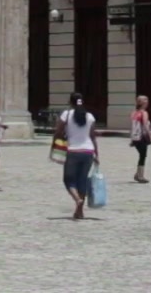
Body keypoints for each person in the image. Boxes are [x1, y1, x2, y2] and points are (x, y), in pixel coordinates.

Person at [59, 92, 98, 220]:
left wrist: (55, 146)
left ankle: (77, 200)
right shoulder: (90, 116)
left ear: (70, 102)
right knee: (82, 180)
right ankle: (79, 212)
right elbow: (92, 136)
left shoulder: (67, 114)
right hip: (88, 151)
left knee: (68, 180)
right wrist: (97, 154)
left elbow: (58, 131)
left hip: (73, 151)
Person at [130, 95, 151, 183]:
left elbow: (132, 127)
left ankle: (138, 174)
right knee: (143, 156)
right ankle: (140, 176)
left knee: (142, 155)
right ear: (143, 103)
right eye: (146, 100)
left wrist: (131, 139)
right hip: (141, 137)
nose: (147, 102)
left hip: (135, 137)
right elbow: (145, 125)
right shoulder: (144, 113)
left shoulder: (134, 113)